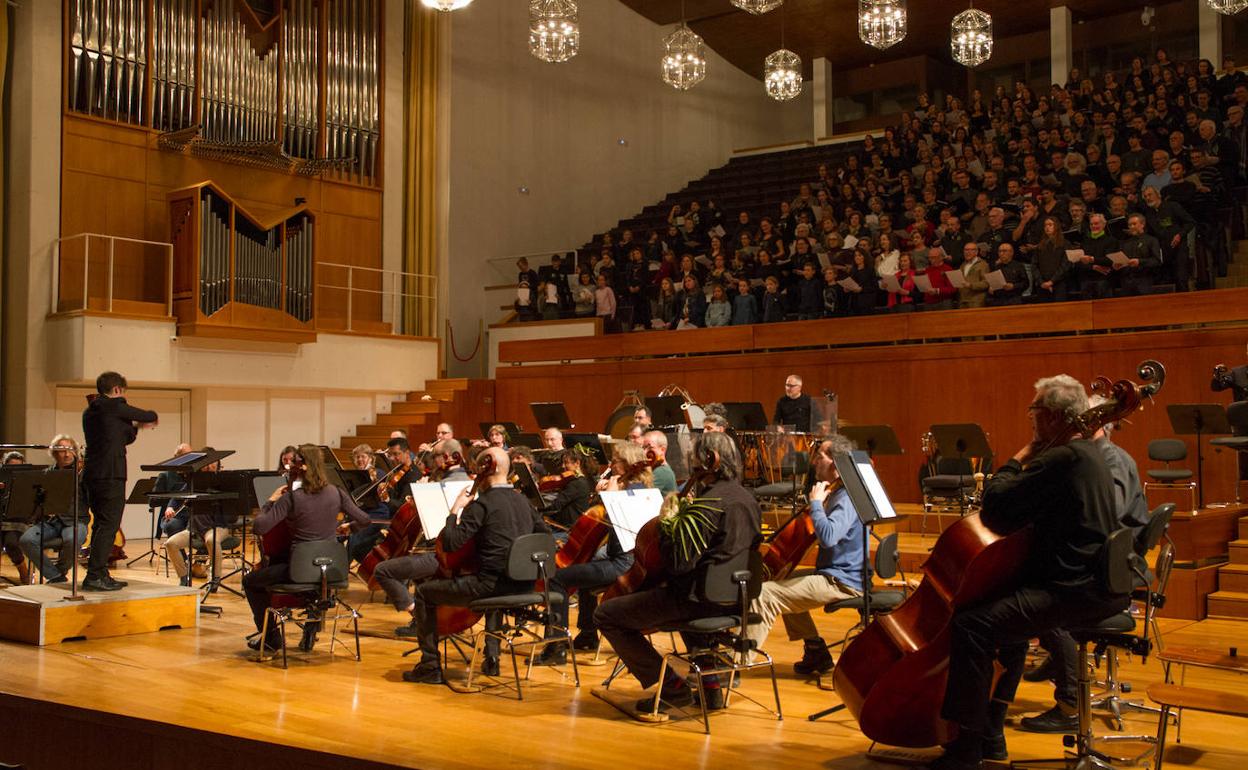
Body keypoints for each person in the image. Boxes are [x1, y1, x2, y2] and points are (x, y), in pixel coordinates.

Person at [931, 375, 1132, 770]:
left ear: (1053, 416)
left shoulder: (1061, 458)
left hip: (1073, 590)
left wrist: (1019, 456)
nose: (1031, 418)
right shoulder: (1091, 454)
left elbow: (996, 504)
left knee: (972, 625)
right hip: (1097, 584)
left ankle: (965, 750)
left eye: (1034, 411)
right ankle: (991, 734)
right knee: (1008, 629)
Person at [594, 431, 761, 712]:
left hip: (697, 601)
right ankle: (711, 688)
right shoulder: (748, 499)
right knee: (687, 597)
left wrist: (668, 526)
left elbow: (679, 565)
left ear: (710, 459)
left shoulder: (707, 504)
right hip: (736, 599)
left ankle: (673, 688)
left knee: (606, 615)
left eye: (694, 458)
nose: (690, 464)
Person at [1019, 395, 1149, 733]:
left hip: (1114, 567)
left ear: (1096, 421)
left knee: (1045, 599)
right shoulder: (1096, 456)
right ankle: (1060, 659)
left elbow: (1107, 515)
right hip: (1106, 559)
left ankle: (1069, 702)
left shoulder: (1111, 461)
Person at [402, 447, 551, 684]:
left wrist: (455, 509)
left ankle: (429, 666)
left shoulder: (482, 505)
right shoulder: (524, 502)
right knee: (494, 574)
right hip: (525, 585)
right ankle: (492, 657)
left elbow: (450, 543)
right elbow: (545, 536)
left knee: (423, 593)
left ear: (485, 469)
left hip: (490, 587)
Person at [747, 435, 864, 676]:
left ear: (835, 462)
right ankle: (815, 650)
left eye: (819, 456)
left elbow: (829, 537)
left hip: (842, 582)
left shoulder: (847, 498)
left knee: (764, 594)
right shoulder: (839, 492)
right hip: (834, 574)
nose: (814, 462)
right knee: (784, 580)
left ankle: (737, 663)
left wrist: (817, 504)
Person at [246, 445, 371, 653]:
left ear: (302, 466)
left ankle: (271, 638)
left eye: (294, 462)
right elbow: (365, 520)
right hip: (330, 571)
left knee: (250, 581)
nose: (290, 466)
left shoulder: (291, 498)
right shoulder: (337, 493)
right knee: (309, 579)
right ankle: (313, 614)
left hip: (299, 570)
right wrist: (349, 527)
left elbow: (259, 527)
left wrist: (270, 501)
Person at [538, 443, 653, 665]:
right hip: (634, 563)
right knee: (585, 571)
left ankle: (556, 646)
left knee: (556, 578)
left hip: (622, 564)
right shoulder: (645, 491)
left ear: (628, 464)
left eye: (616, 460)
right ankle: (588, 635)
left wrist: (608, 497)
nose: (611, 464)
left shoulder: (625, 494)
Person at [82, 371, 158, 591]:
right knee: (109, 524)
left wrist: (135, 427)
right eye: (123, 392)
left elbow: (123, 437)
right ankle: (94, 576)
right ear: (117, 389)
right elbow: (148, 414)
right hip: (111, 474)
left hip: (93, 474)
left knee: (100, 524)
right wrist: (146, 419)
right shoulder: (113, 406)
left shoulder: (90, 411)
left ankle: (99, 573)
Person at [18, 436, 90, 585]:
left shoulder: (83, 473)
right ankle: (55, 576)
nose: (67, 454)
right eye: (62, 451)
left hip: (76, 521)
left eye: (70, 450)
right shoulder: (48, 474)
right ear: (54, 454)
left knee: (72, 539)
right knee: (26, 540)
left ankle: (59, 571)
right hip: (52, 522)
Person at [162, 450, 230, 586]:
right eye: (206, 463)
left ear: (218, 463)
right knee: (171, 543)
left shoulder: (223, 481)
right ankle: (184, 578)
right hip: (194, 529)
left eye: (212, 463)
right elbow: (177, 497)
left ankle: (215, 579)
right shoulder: (194, 481)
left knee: (211, 540)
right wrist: (170, 507)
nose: (209, 466)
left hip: (217, 527)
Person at [641, 430, 679, 496]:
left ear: (662, 450)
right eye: (644, 448)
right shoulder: (657, 469)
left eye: (650, 448)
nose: (645, 452)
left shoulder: (662, 471)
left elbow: (643, 496)